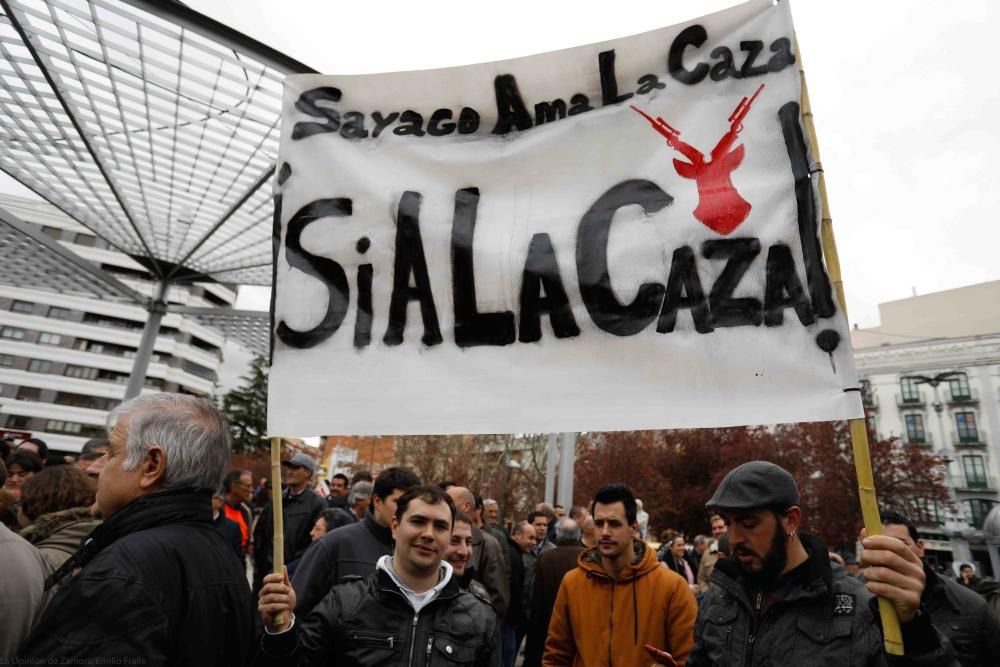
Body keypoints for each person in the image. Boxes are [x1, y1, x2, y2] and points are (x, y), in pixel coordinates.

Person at [17, 393, 255, 664]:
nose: (96, 468)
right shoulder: (220, 555)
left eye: (112, 453)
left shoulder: (123, 571)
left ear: (152, 466)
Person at [682, 460, 955, 666]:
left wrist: (915, 632)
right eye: (728, 524)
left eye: (748, 523)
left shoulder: (858, 605)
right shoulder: (720, 597)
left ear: (790, 520)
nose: (734, 538)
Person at [257, 485, 501, 665]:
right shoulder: (345, 602)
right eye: (418, 521)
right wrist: (281, 630)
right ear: (395, 526)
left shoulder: (479, 618)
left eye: (440, 526)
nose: (428, 534)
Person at [543, 483, 697, 666]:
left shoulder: (672, 587)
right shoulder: (572, 583)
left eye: (614, 524)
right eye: (599, 523)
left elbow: (688, 657)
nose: (605, 532)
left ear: (633, 528)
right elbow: (556, 655)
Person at [291, 466, 421, 616]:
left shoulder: (417, 551)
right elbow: (297, 610)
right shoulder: (334, 544)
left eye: (412, 506)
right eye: (400, 503)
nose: (407, 512)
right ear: (378, 501)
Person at [881, 512, 1000, 666]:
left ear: (920, 547)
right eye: (880, 546)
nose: (889, 554)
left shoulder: (969, 604)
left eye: (900, 544)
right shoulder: (856, 599)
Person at [16, 465, 100, 596]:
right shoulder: (94, 538)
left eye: (21, 502)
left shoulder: (43, 559)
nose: (17, 510)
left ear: (34, 504)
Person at [252, 452, 326, 593]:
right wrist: (260, 562)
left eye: (295, 467)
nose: (289, 471)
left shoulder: (316, 503)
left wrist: (292, 568)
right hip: (265, 573)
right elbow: (260, 532)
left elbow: (316, 542)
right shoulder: (277, 499)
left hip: (293, 577)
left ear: (308, 473)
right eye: (288, 467)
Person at [0, 459, 48, 657]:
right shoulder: (28, 552)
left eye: (22, 474)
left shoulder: (24, 553)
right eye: (11, 474)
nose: (15, 480)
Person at [523, 518, 584, 667]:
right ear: (578, 534)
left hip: (549, 629)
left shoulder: (546, 559)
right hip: (582, 629)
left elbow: (535, 601)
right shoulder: (587, 558)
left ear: (557, 534)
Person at [447, 485, 509, 617]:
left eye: (448, 502)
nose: (463, 551)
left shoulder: (488, 544)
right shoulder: (439, 536)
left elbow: (498, 597)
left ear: (466, 506)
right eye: (454, 541)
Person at [504, 521, 537, 667]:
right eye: (530, 538)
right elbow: (514, 590)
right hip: (509, 620)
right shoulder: (514, 556)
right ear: (517, 535)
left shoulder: (513, 553)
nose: (534, 542)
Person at [446, 510, 491, 600]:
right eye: (454, 541)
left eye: (468, 542)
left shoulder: (479, 593)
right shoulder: (416, 592)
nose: (464, 552)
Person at [222, 469, 254, 557]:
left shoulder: (246, 511)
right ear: (234, 487)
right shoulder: (219, 510)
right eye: (248, 486)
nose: (251, 490)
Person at [212, 488, 244, 564]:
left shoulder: (232, 526)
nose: (220, 499)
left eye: (221, 496)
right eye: (216, 497)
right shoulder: (194, 525)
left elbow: (238, 558)